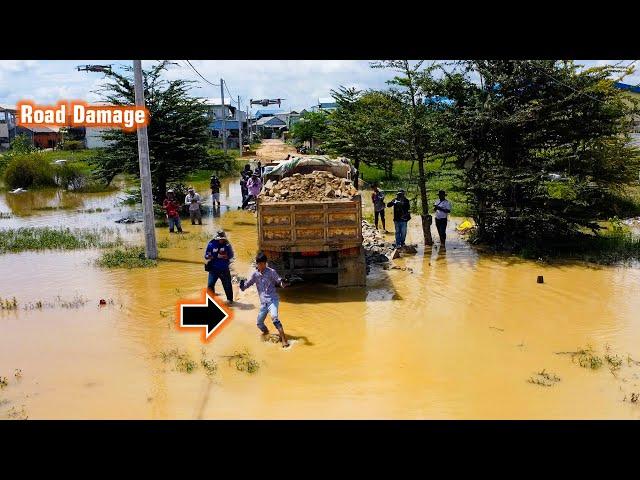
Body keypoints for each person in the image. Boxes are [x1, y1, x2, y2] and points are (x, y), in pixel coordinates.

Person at [239, 252, 290, 347]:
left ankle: (284, 340)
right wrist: (242, 286)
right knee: (259, 323)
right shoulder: (255, 274)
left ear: (266, 263)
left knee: (274, 317)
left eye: (262, 264)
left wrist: (284, 283)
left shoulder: (271, 272)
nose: (261, 266)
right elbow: (248, 284)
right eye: (259, 264)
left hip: (272, 300)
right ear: (257, 264)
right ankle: (267, 333)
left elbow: (279, 282)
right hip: (263, 304)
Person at [204, 230, 234, 304]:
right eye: (220, 239)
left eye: (223, 239)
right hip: (213, 269)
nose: (222, 240)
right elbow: (206, 256)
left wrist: (227, 256)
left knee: (227, 285)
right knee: (210, 285)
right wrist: (209, 256)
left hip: (224, 269)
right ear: (217, 238)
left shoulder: (227, 245)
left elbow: (231, 255)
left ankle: (230, 300)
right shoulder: (211, 244)